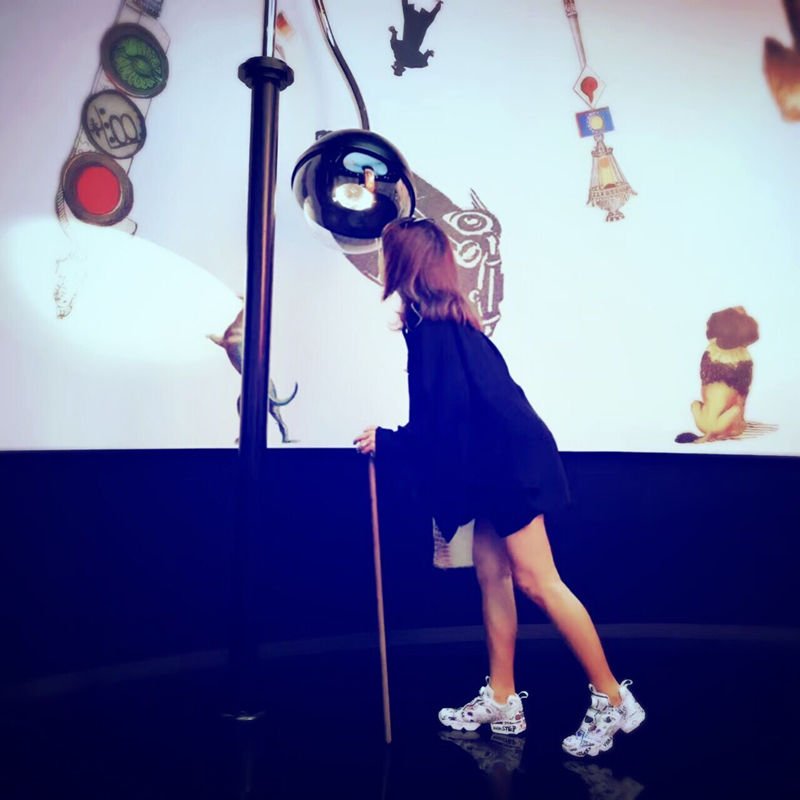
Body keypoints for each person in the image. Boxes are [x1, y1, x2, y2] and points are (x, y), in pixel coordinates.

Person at [353, 217, 645, 757]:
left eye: (387, 254)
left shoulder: (437, 332)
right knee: (492, 575)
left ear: (404, 264)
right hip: (492, 464)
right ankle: (504, 700)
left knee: (539, 581)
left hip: (510, 466)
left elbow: (442, 423)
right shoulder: (439, 323)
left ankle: (614, 699)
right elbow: (454, 419)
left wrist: (389, 442)